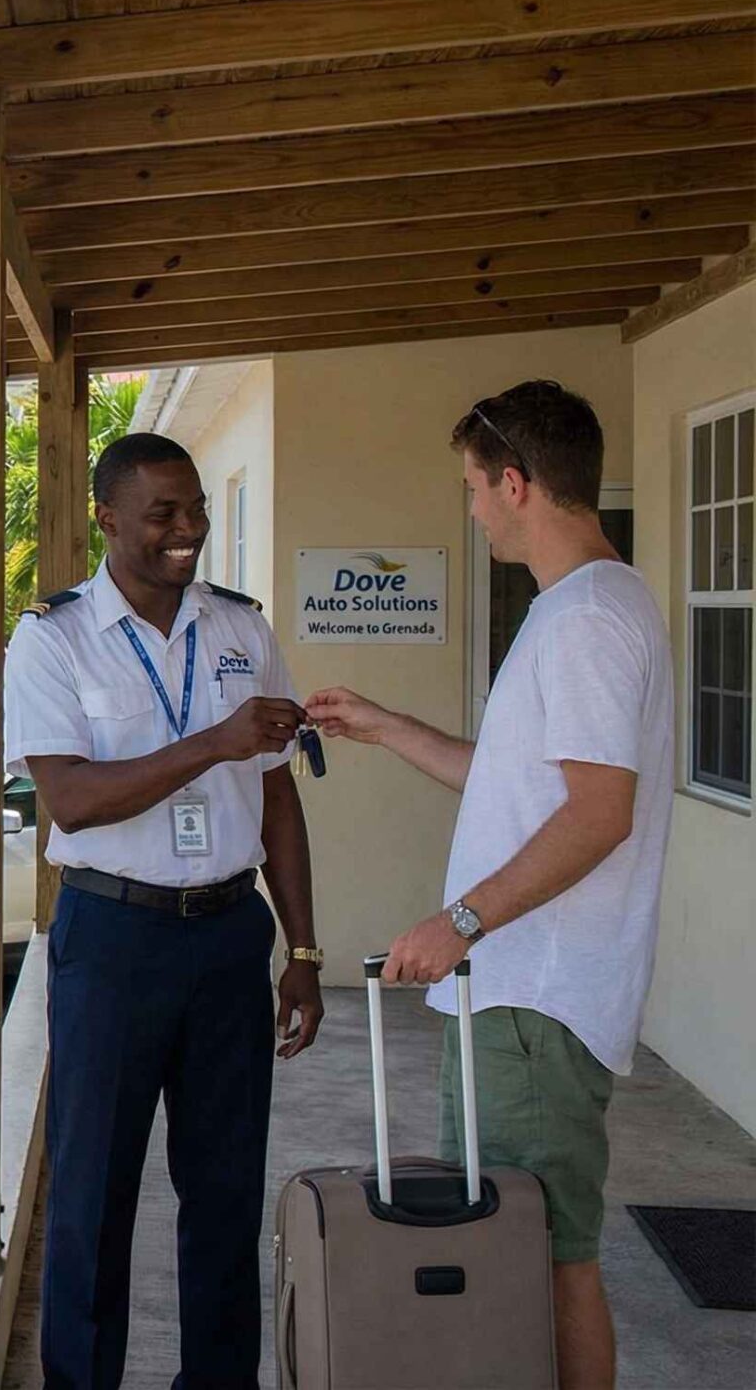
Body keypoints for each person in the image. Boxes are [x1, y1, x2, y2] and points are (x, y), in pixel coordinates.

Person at [306, 380, 670, 1390]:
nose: (468, 508)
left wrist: (462, 919)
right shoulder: (585, 606)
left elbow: (599, 813)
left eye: (472, 486)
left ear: (515, 482)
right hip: (517, 993)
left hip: (533, 997)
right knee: (523, 1242)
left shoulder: (587, 619)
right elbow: (522, 782)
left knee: (542, 1253)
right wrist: (387, 727)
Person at [5, 432, 324, 1389]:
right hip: (114, 939)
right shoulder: (52, 639)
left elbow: (277, 796)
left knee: (225, 1191)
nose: (188, 530)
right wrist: (216, 740)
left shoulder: (241, 630)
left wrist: (302, 947)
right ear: (107, 516)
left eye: (196, 509)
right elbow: (75, 799)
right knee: (94, 1192)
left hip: (229, 937)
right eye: (164, 513)